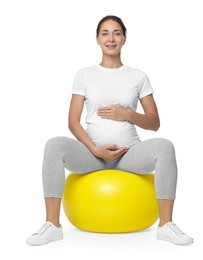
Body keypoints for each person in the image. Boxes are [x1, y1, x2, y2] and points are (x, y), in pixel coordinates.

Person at [26, 15, 193, 246]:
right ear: (97, 39)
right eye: (105, 33)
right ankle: (52, 224)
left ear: (124, 39)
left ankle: (165, 225)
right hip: (91, 154)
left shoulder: (138, 76)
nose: (111, 38)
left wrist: (127, 114)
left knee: (165, 147)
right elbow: (73, 122)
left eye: (116, 33)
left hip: (129, 153)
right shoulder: (84, 74)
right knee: (54, 145)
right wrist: (95, 149)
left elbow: (154, 123)